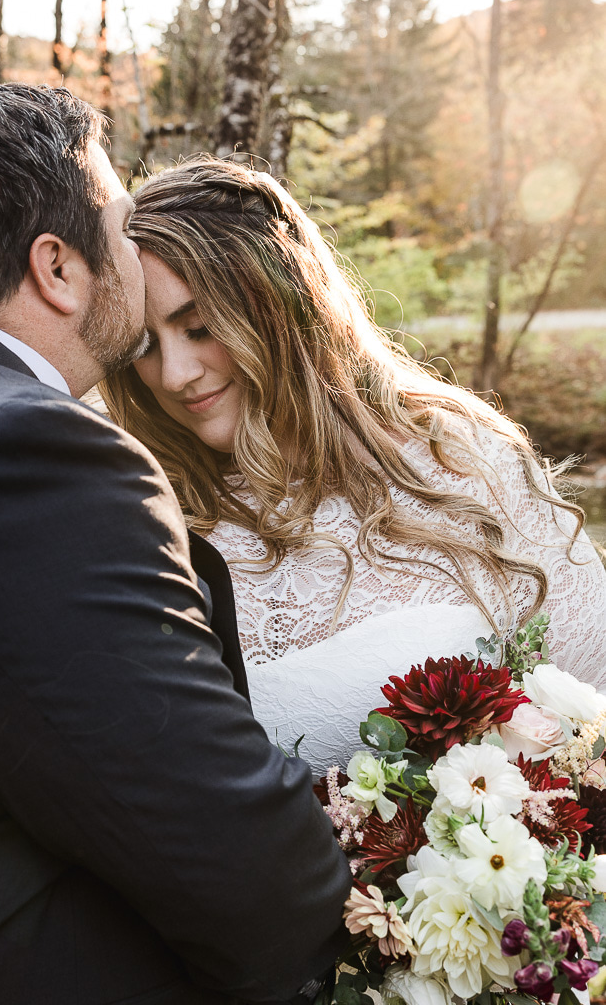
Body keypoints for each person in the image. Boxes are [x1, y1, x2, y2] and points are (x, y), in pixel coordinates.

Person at [0, 87, 354, 1005]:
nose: (136, 250)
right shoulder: (18, 453)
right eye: (124, 227)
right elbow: (223, 853)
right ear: (58, 266)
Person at [100, 156, 606, 777]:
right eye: (145, 346)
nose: (175, 376)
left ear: (281, 308)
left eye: (201, 328)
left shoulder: (460, 461)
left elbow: (591, 710)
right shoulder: (146, 520)